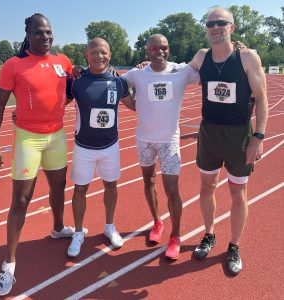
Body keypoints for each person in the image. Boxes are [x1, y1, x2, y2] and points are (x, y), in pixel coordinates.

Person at [0, 13, 77, 296]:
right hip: (29, 139)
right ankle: (10, 260)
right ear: (28, 34)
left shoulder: (63, 62)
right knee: (22, 199)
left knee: (59, 186)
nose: (46, 37)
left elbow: (69, 92)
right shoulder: (13, 65)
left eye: (49, 32)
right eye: (39, 33)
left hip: (57, 136)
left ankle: (58, 227)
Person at [190, 7, 268, 275]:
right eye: (210, 23)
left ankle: (233, 245)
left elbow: (263, 98)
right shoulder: (201, 57)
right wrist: (147, 66)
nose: (215, 27)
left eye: (221, 23)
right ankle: (209, 234)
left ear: (232, 27)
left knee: (238, 192)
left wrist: (258, 137)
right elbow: (176, 74)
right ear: (206, 28)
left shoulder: (247, 57)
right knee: (207, 186)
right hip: (209, 133)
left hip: (238, 134)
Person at [123, 34, 200, 260]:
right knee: (149, 181)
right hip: (144, 139)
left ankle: (175, 236)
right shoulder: (137, 73)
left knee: (172, 189)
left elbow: (210, 73)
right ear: (147, 51)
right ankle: (157, 222)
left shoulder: (181, 71)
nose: (160, 51)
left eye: (164, 47)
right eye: (155, 48)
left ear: (169, 49)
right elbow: (115, 84)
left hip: (169, 140)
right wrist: (131, 102)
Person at [66, 38, 135, 257]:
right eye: (94, 52)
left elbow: (133, 105)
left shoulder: (119, 81)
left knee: (111, 187)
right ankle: (78, 232)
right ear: (86, 54)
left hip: (110, 146)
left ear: (110, 54)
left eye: (103, 52)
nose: (99, 56)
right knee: (79, 189)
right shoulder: (76, 80)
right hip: (83, 147)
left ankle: (109, 226)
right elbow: (56, 103)